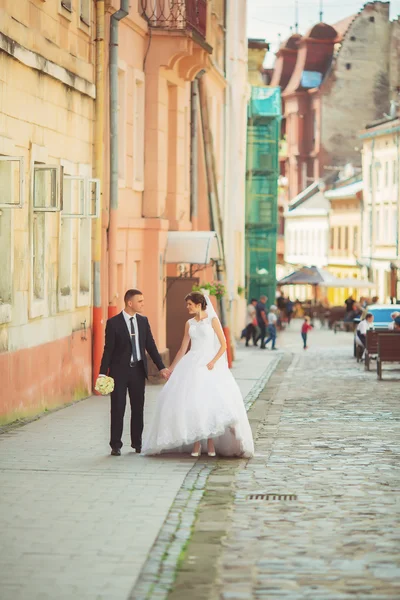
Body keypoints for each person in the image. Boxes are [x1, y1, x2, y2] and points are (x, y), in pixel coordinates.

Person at [142, 292, 255, 458]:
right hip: (192, 363)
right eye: (187, 304)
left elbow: (223, 345)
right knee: (193, 402)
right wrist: (171, 368)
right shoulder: (189, 323)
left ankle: (210, 442)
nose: (187, 307)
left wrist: (213, 362)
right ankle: (196, 442)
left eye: (190, 304)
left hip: (210, 365)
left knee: (208, 402)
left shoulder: (212, 320)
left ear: (199, 304)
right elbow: (183, 348)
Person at [98, 289, 170, 456]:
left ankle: (137, 443)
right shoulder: (113, 323)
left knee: (138, 408)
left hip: (138, 371)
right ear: (130, 303)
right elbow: (108, 350)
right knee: (118, 407)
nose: (143, 304)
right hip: (119, 372)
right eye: (140, 301)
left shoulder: (143, 322)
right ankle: (115, 445)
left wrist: (162, 367)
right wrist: (102, 373)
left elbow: (150, 346)